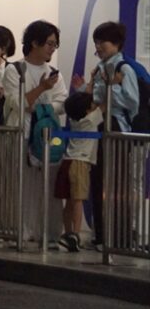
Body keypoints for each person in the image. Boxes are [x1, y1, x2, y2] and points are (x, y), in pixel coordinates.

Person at [68, 21, 140, 250]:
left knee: (116, 184)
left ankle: (118, 236)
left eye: (102, 42)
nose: (98, 47)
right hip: (100, 125)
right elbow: (94, 98)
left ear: (116, 43)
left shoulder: (123, 69)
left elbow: (132, 102)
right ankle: (101, 235)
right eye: (96, 43)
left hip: (117, 127)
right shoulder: (101, 68)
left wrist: (108, 91)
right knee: (100, 182)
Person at [2, 20, 68, 242]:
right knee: (21, 186)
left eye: (54, 45)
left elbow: (61, 103)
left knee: (47, 187)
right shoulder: (14, 70)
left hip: (47, 135)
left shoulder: (54, 74)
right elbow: (18, 103)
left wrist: (40, 105)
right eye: (49, 43)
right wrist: (42, 90)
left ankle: (47, 232)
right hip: (22, 133)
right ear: (34, 43)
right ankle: (20, 230)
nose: (52, 49)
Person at [54, 91, 102, 252]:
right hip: (80, 163)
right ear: (88, 110)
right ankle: (76, 234)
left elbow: (84, 102)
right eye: (92, 105)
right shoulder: (91, 119)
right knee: (78, 200)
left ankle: (67, 233)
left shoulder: (75, 119)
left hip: (67, 161)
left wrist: (81, 88)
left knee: (68, 201)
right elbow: (105, 104)